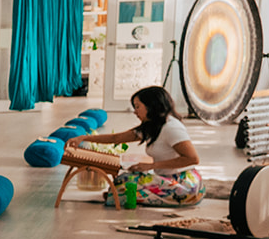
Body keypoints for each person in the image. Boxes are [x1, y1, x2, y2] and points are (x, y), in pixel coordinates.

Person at [69, 85, 205, 207]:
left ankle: (120, 196)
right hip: (168, 178)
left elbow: (193, 159)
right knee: (125, 180)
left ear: (151, 106)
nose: (135, 112)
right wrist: (85, 137)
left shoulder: (171, 127)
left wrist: (151, 166)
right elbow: (116, 138)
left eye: (138, 107)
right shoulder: (152, 125)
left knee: (125, 182)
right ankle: (120, 196)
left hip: (185, 185)